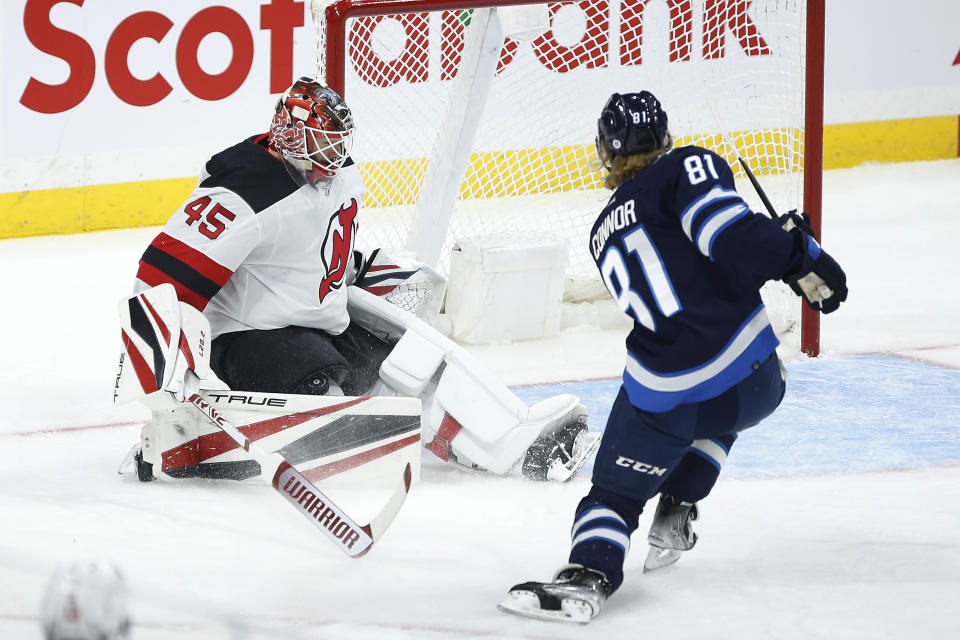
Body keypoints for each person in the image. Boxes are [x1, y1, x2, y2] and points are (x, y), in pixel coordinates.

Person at [120, 77, 597, 484]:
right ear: (291, 137)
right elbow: (159, 281)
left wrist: (366, 270)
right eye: (326, 140)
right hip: (250, 337)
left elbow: (321, 249)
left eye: (339, 140)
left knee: (412, 372)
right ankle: (181, 444)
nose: (338, 150)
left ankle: (516, 450)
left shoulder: (337, 172)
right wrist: (176, 386)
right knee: (333, 399)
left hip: (320, 321)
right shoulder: (243, 191)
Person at [498, 90, 847, 623]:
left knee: (612, 496)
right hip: (753, 387)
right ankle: (679, 504)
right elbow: (730, 242)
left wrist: (771, 251)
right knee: (721, 405)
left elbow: (693, 276)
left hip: (661, 399)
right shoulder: (689, 164)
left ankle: (588, 573)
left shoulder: (602, 231)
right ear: (664, 137)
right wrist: (800, 253)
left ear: (607, 153)